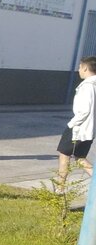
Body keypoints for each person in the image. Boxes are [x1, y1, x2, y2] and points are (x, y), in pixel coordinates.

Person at [55, 56, 96, 187]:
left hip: (78, 129)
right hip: (89, 130)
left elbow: (84, 110)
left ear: (85, 68)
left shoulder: (87, 86)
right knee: (80, 158)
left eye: (79, 67)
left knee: (64, 154)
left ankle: (60, 188)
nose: (79, 70)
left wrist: (71, 124)